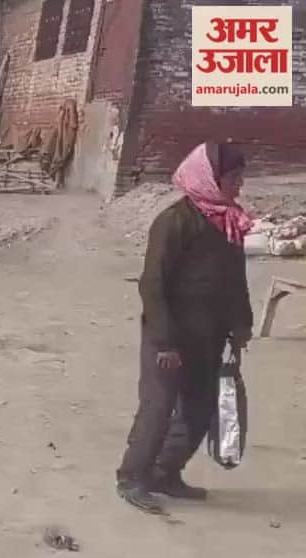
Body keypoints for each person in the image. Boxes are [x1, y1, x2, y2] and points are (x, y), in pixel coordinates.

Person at [116, 142, 254, 513]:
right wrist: (164, 343)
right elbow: (153, 285)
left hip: (211, 336)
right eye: (233, 178)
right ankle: (132, 478)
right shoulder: (174, 222)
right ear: (210, 178)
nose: (239, 185)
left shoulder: (228, 221)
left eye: (240, 177)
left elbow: (235, 279)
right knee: (158, 408)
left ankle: (165, 473)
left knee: (200, 407)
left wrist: (241, 324)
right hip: (171, 337)